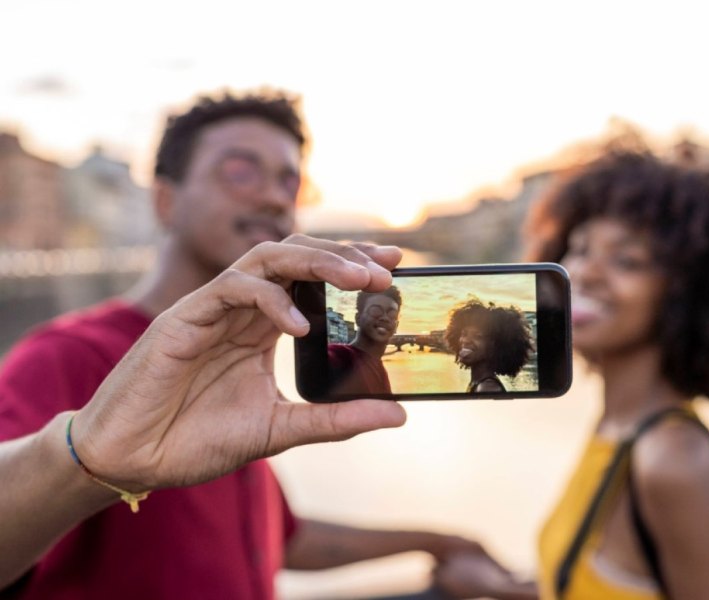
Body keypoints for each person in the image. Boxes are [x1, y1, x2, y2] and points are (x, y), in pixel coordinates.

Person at [0, 91, 491, 599]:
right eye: (240, 171)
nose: (276, 198)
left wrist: (436, 542)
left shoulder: (244, 355)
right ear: (164, 200)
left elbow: (279, 539)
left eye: (288, 181)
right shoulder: (65, 355)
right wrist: (87, 457)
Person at [434, 143, 709, 599]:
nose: (586, 273)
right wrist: (498, 587)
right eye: (580, 248)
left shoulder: (671, 459)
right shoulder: (619, 425)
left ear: (690, 295)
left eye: (628, 261)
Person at [443, 298, 534, 393]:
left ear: (496, 345)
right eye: (464, 334)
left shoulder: (487, 388)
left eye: (478, 336)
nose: (466, 340)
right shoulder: (478, 383)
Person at [328, 286, 402, 395]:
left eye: (392, 314)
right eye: (376, 311)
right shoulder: (341, 355)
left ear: (397, 325)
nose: (385, 318)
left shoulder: (378, 366)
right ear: (358, 318)